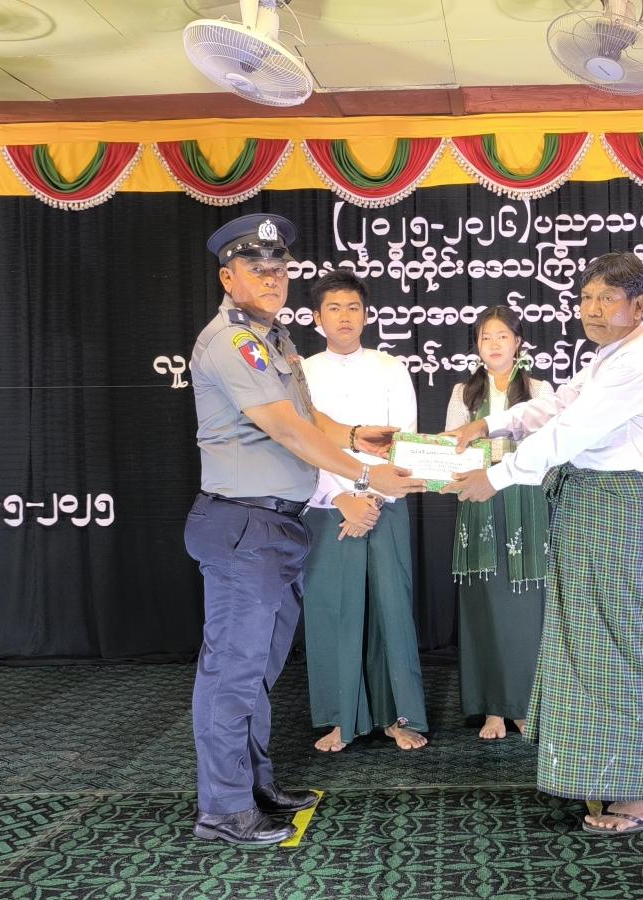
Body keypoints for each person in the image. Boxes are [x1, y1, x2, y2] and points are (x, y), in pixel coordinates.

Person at [185, 214, 423, 848]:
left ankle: (254, 787)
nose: (271, 279)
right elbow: (285, 428)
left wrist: (358, 436)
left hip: (275, 526)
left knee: (257, 673)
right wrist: (365, 474)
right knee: (233, 674)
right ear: (228, 278)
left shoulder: (274, 339)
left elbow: (309, 415)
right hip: (243, 524)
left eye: (279, 269)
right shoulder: (232, 342)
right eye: (256, 269)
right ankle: (223, 810)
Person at [445, 252, 643, 836]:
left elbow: (570, 432)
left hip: (621, 509)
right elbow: (557, 405)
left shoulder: (639, 362)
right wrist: (489, 424)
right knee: (589, 646)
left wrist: (496, 476)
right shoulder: (610, 355)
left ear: (640, 306)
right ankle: (608, 778)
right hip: (591, 505)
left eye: (608, 299)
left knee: (622, 646)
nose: (593, 310)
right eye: (587, 298)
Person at [300, 270, 430, 753]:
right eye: (334, 308)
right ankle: (342, 718)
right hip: (327, 507)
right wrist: (342, 498)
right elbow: (301, 444)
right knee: (333, 611)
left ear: (367, 315)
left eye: (353, 307)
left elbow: (404, 439)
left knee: (390, 609)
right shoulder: (301, 373)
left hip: (384, 505)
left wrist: (372, 498)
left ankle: (399, 717)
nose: (345, 317)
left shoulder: (390, 368)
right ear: (317, 318)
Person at [443, 306, 551, 741]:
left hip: (526, 503)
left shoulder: (539, 390)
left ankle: (523, 705)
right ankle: (491, 709)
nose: (493, 344)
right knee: (484, 605)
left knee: (526, 608)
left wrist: (496, 454)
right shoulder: (463, 393)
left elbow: (546, 450)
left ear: (518, 341)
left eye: (502, 336)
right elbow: (454, 449)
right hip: (478, 502)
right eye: (485, 337)